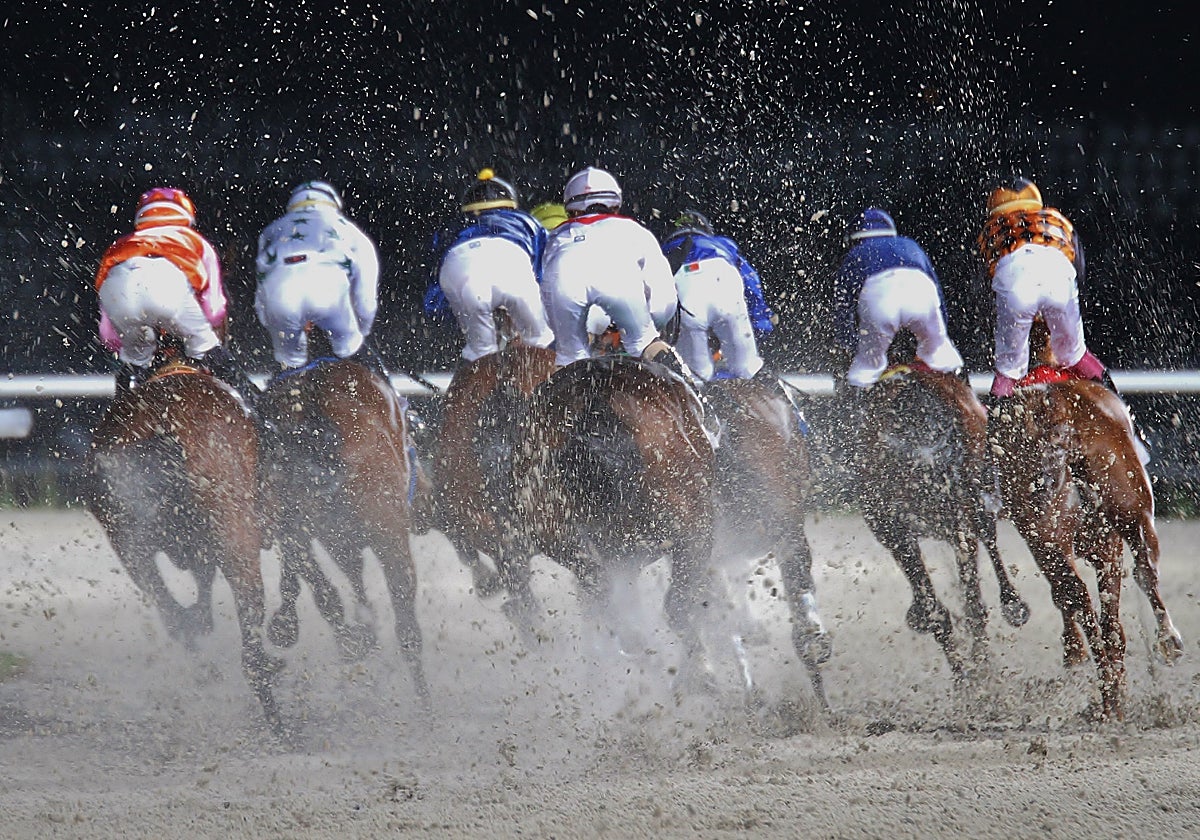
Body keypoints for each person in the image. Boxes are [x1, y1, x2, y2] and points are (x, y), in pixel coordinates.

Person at [95, 187, 259, 404]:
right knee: (207, 348)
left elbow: (107, 327)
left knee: (134, 361)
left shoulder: (120, 244)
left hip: (119, 292)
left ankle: (119, 411)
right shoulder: (195, 241)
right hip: (168, 291)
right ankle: (257, 407)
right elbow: (214, 307)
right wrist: (205, 333)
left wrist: (122, 343)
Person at [540, 166, 687, 377]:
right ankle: (695, 392)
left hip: (565, 281)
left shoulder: (555, 236)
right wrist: (650, 326)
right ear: (615, 206)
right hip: (618, 281)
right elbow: (664, 299)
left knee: (570, 357)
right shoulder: (635, 231)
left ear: (572, 211)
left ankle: (544, 398)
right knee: (644, 342)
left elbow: (547, 295)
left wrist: (588, 330)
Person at [979, 177, 1106, 399]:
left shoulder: (990, 231)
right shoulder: (1057, 220)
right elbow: (1080, 273)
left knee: (1009, 370)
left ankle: (995, 415)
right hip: (1058, 278)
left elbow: (987, 291)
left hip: (1016, 287)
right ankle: (1118, 402)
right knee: (1076, 355)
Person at [255, 180, 388, 380]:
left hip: (281, 298)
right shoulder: (350, 230)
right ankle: (394, 395)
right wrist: (361, 332)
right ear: (333, 204)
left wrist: (272, 324)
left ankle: (271, 393)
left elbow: (262, 293)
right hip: (327, 293)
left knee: (288, 366)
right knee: (353, 350)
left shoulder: (270, 231)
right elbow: (366, 299)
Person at [428, 169, 555, 362]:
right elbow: (544, 274)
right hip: (511, 270)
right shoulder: (526, 220)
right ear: (510, 205)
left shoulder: (448, 228)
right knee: (541, 342)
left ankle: (470, 369)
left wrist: (452, 317)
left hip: (461, 275)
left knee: (480, 355)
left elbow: (435, 295)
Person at [832, 207, 964, 392]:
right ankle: (970, 400)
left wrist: (851, 346)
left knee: (865, 368)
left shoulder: (855, 254)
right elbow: (939, 298)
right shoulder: (910, 245)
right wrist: (940, 335)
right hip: (921, 295)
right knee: (943, 356)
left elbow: (843, 308)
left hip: (881, 303)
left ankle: (853, 406)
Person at [660, 209, 774, 382]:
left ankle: (710, 393)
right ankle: (781, 398)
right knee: (748, 369)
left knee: (696, 378)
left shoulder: (662, 253)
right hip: (725, 291)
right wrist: (760, 324)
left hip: (687, 304)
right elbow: (752, 284)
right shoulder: (724, 244)